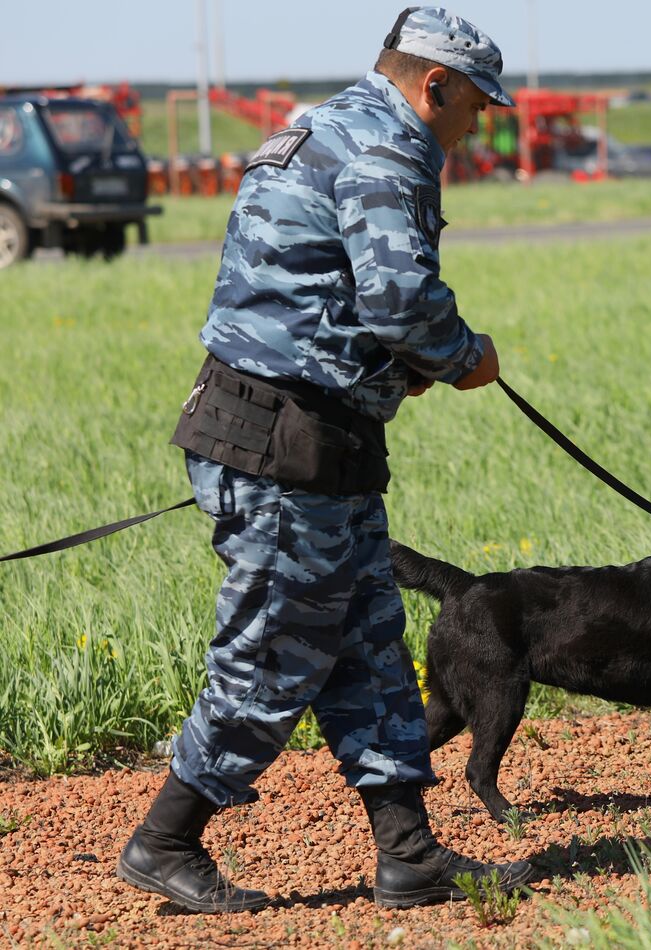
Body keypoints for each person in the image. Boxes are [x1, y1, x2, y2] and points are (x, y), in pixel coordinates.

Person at [116, 7, 531, 914]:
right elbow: (399, 299)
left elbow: (313, 294)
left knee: (372, 653)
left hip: (314, 439)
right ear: (435, 85)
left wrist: (390, 367)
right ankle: (166, 839)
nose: (479, 121)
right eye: (474, 104)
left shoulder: (325, 127)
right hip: (282, 447)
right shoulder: (387, 152)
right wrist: (465, 358)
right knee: (270, 657)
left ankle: (410, 854)